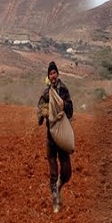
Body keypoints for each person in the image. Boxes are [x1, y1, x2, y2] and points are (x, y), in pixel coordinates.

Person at [37, 61, 73, 213]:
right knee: (53, 170)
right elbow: (39, 109)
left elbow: (71, 110)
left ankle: (59, 186)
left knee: (67, 171)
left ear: (57, 74)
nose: (53, 76)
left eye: (54, 73)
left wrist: (64, 106)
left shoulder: (64, 89)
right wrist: (42, 114)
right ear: (48, 76)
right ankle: (55, 201)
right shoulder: (46, 93)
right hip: (51, 136)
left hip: (62, 135)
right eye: (50, 74)